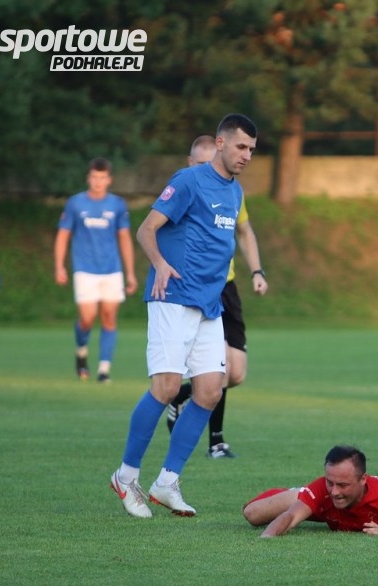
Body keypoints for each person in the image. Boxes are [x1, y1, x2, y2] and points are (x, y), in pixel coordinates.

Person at [109, 113, 258, 518]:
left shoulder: (235, 192)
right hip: (173, 296)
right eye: (241, 146)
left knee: (210, 391)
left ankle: (167, 482)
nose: (246, 155)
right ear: (221, 143)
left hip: (210, 304)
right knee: (167, 387)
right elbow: (146, 229)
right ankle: (125, 476)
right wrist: (159, 264)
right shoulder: (189, 180)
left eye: (251, 149)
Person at [166, 135, 269, 460]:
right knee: (220, 369)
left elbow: (244, 231)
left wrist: (257, 271)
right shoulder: (186, 190)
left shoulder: (231, 192)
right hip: (199, 290)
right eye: (200, 163)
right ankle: (216, 442)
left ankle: (179, 394)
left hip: (228, 288)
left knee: (236, 374)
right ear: (190, 162)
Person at [243, 445, 378, 537]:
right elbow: (290, 518)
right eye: (330, 482)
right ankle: (296, 492)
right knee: (252, 513)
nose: (334, 491)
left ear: (363, 479)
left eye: (343, 485)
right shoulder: (323, 490)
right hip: (322, 508)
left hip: (332, 511)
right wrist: (267, 538)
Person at [54, 158, 137, 382]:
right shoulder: (75, 203)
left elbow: (124, 238)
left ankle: (103, 370)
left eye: (102, 178)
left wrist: (130, 273)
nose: (98, 182)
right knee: (87, 318)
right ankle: (81, 351)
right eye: (94, 177)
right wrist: (59, 266)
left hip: (112, 269)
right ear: (88, 178)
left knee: (109, 317)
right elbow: (63, 235)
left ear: (109, 180)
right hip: (85, 269)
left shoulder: (117, 205)